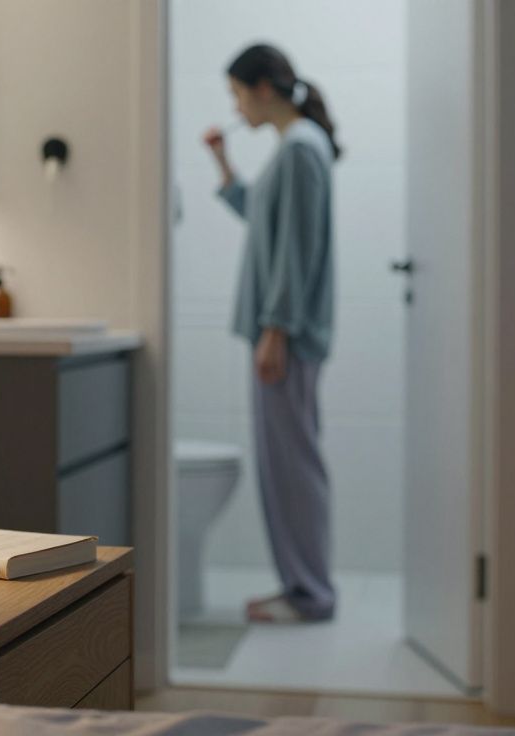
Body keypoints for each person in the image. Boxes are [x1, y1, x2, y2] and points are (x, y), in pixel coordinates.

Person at [203, 44, 341, 623]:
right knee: (286, 465)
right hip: (282, 334)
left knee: (292, 468)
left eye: (237, 93)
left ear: (263, 89)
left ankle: (310, 594)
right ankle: (302, 587)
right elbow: (266, 222)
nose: (235, 106)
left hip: (285, 337)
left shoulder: (301, 150)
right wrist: (224, 164)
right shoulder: (296, 148)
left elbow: (296, 250)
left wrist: (276, 331)